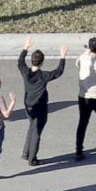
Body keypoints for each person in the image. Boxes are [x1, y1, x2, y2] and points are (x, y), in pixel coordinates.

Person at [17, 36, 66, 166]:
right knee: (37, 132)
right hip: (40, 107)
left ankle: (26, 152)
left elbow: (20, 62)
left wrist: (25, 48)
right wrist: (62, 57)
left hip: (28, 106)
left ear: (32, 61)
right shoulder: (43, 76)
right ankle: (32, 159)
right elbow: (58, 72)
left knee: (31, 126)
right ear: (42, 62)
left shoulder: (25, 73)